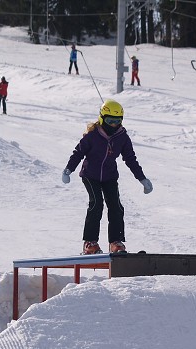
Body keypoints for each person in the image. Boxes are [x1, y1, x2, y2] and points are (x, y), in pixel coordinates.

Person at [62, 99, 153, 255]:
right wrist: (68, 170)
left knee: (116, 206)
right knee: (96, 204)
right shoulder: (92, 136)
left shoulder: (122, 137)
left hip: (110, 176)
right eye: (110, 121)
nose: (113, 125)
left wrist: (142, 179)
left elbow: (130, 158)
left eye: (117, 121)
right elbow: (78, 153)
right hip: (90, 175)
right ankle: (90, 243)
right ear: (102, 118)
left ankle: (115, 242)